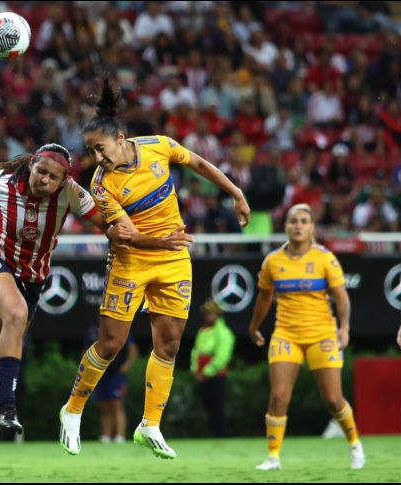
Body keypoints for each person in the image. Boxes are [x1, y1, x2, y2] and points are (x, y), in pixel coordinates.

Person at [59, 78, 251, 459]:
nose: (98, 158)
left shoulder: (159, 146)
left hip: (173, 257)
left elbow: (197, 163)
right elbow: (124, 236)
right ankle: (73, 409)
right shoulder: (102, 184)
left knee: (170, 343)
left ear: (120, 137)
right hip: (133, 260)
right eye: (92, 152)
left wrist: (236, 192)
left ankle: (149, 425)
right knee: (111, 343)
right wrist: (162, 241)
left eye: (100, 149)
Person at [0, 143, 118, 480]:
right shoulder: (5, 181)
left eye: (53, 177)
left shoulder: (71, 194)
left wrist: (138, 236)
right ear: (32, 165)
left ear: (63, 180)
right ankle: (7, 406)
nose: (45, 180)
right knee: (17, 314)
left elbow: (107, 222)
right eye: (41, 172)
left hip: (32, 278)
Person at [248, 203, 364, 471]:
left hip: (321, 334)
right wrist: (254, 327)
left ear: (312, 227)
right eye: (292, 221)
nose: (297, 225)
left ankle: (355, 445)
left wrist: (344, 328)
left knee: (334, 399)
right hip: (285, 334)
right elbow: (264, 298)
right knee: (278, 397)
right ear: (285, 226)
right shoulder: (273, 261)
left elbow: (341, 298)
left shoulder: (326, 258)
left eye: (303, 221)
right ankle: (273, 457)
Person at [83, 324, 138, 444]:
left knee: (117, 403)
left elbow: (132, 348)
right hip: (99, 373)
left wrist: (127, 365)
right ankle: (106, 436)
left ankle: (119, 436)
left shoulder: (121, 328)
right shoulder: (93, 331)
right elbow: (86, 350)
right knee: (104, 406)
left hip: (116, 373)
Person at [190, 298, 235, 438]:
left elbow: (222, 356)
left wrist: (207, 372)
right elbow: (196, 351)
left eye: (211, 313)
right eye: (206, 313)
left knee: (217, 405)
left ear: (218, 314)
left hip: (216, 375)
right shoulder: (203, 330)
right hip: (201, 374)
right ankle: (213, 433)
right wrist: (195, 369)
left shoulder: (223, 332)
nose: (208, 316)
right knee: (207, 405)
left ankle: (221, 434)